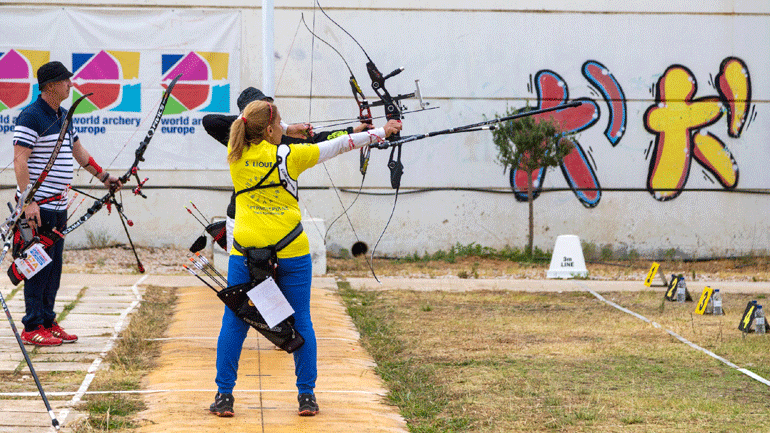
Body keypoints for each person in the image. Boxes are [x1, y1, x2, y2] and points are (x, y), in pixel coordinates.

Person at [209, 99, 401, 417]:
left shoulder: (235, 150)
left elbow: (239, 123)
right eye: (279, 124)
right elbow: (341, 145)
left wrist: (284, 127)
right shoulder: (290, 155)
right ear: (270, 130)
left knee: (234, 322)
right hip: (291, 252)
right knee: (301, 321)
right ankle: (306, 397)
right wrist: (381, 131)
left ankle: (224, 396)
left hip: (244, 254)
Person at [12, 61, 121, 346]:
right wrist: (29, 202)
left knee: (54, 267)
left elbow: (78, 152)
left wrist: (105, 177)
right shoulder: (31, 116)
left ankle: (47, 320)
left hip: (59, 207)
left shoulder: (63, 116)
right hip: (38, 208)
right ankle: (32, 326)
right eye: (65, 81)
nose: (70, 85)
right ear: (50, 86)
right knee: (37, 266)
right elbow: (20, 161)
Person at [202, 87, 372, 253]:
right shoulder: (239, 143)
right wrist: (282, 127)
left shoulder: (282, 140)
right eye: (261, 110)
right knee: (244, 276)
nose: (269, 113)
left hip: (276, 224)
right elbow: (209, 121)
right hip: (242, 220)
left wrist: (352, 131)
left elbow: (321, 141)